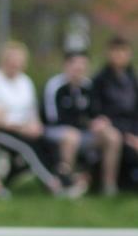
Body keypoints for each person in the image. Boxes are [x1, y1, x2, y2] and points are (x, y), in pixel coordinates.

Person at [0, 42, 72, 195]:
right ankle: (53, 184)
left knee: (48, 141)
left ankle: (64, 177)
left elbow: (32, 111)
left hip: (25, 128)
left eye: (19, 61)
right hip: (1, 130)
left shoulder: (25, 82)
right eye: (12, 60)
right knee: (27, 147)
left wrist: (35, 126)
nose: (16, 64)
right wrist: (21, 128)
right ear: (4, 60)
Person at [42, 49, 122, 196]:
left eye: (83, 65)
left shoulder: (88, 86)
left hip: (82, 131)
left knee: (112, 136)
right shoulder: (55, 86)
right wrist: (85, 124)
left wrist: (100, 122)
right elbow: (52, 118)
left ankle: (109, 185)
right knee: (71, 136)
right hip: (55, 130)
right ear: (66, 65)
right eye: (76, 64)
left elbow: (94, 113)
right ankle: (67, 185)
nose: (80, 68)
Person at [91, 37, 138, 190]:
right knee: (114, 138)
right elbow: (98, 114)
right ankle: (109, 185)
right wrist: (127, 134)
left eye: (123, 51)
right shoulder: (100, 80)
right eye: (115, 51)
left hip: (131, 128)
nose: (119, 55)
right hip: (110, 128)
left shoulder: (132, 80)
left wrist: (134, 134)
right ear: (108, 53)